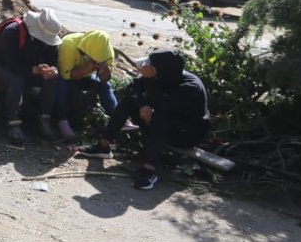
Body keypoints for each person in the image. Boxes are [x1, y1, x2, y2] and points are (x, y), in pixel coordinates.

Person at [78, 48, 211, 191]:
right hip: (158, 124)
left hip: (187, 134)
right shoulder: (160, 76)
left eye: (152, 67)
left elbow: (164, 105)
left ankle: (150, 168)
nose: (147, 69)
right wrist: (143, 104)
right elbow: (131, 88)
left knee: (160, 115)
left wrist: (148, 83)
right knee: (129, 101)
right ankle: (103, 146)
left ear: (161, 70)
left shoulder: (191, 86)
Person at [0, 8, 63, 145]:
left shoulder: (49, 39)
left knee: (52, 79)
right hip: (3, 67)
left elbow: (52, 61)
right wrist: (34, 70)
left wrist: (52, 70)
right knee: (17, 80)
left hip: (33, 70)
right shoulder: (12, 32)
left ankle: (44, 119)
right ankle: (13, 123)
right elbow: (10, 64)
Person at [55, 30, 118, 139]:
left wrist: (103, 70)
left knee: (105, 86)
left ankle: (118, 117)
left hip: (85, 76)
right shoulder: (68, 45)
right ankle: (62, 120)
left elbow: (105, 79)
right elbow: (66, 75)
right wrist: (86, 69)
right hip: (66, 75)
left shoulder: (105, 52)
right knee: (62, 85)